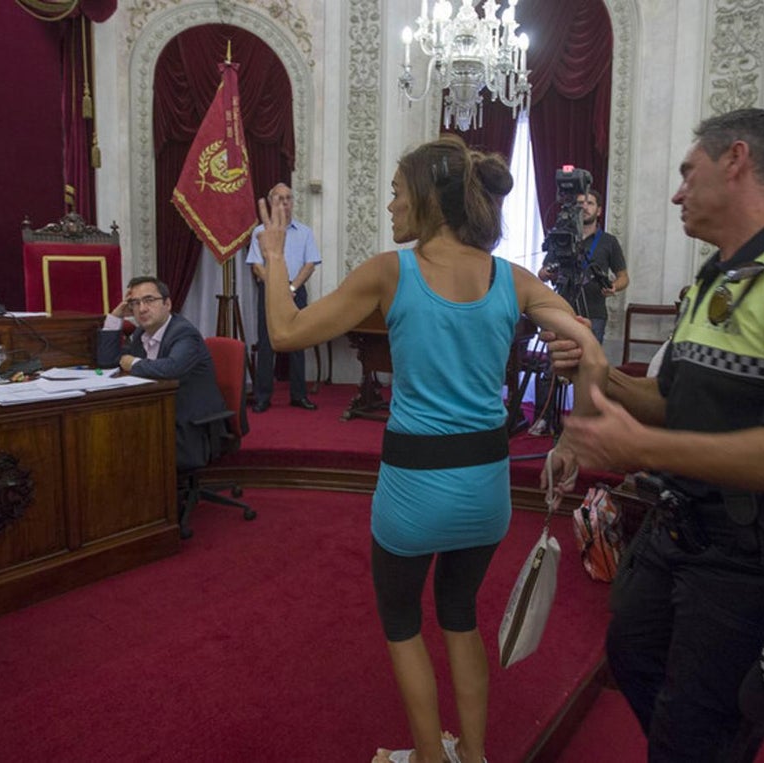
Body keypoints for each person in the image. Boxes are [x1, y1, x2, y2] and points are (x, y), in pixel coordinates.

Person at [255, 135, 606, 763]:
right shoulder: (514, 278)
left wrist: (276, 254)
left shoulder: (392, 271)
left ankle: (427, 756)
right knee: (460, 615)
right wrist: (574, 435)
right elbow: (589, 347)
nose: (390, 207)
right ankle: (472, 755)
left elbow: (284, 332)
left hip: (414, 488)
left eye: (395, 193)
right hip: (487, 489)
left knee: (401, 623)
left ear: (425, 199)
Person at [544, 108, 764, 759]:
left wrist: (640, 450)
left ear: (737, 160)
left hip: (752, 553)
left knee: (698, 726)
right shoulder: (712, 280)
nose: (676, 192)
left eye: (686, 173)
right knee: (632, 655)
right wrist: (602, 374)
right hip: (681, 533)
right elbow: (673, 403)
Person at [97, 276, 226, 470]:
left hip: (190, 425)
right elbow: (108, 362)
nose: (142, 309)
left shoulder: (184, 333)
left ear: (167, 303)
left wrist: (133, 363)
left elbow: (171, 369)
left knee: (123, 447)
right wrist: (116, 316)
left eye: (149, 300)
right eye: (135, 303)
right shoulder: (141, 333)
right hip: (158, 414)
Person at [245, 183, 321, 412]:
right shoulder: (260, 232)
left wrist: (290, 288)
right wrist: (276, 287)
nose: (285, 203)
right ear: (270, 203)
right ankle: (263, 397)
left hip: (296, 292)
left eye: (288, 198)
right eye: (279, 199)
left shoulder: (305, 232)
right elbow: (257, 266)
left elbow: (310, 265)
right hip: (269, 293)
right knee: (267, 344)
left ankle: (299, 395)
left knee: (298, 342)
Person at [538, 188, 628, 342]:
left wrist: (613, 286)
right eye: (580, 203)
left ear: (599, 211)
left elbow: (623, 277)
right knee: (559, 360)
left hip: (594, 314)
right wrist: (547, 273)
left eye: (590, 203)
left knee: (589, 362)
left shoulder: (609, 241)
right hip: (562, 310)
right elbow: (542, 273)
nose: (585, 207)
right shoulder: (562, 238)